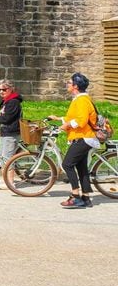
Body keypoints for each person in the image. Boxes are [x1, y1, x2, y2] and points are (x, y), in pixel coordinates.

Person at [49, 72, 100, 208]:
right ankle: (86, 198)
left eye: (69, 83)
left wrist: (66, 125)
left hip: (84, 138)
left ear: (76, 86)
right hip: (83, 137)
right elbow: (75, 117)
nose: (67, 85)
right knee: (81, 167)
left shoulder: (82, 100)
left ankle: (75, 196)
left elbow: (81, 121)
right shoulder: (79, 99)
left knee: (67, 165)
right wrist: (60, 119)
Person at [0, 78, 23, 188]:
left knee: (8, 157)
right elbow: (4, 119)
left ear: (11, 89)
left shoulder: (13, 102)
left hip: (11, 133)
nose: (1, 92)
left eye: (4, 89)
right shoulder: (5, 101)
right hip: (5, 132)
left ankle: (10, 182)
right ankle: (4, 179)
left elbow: (7, 119)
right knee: (1, 156)